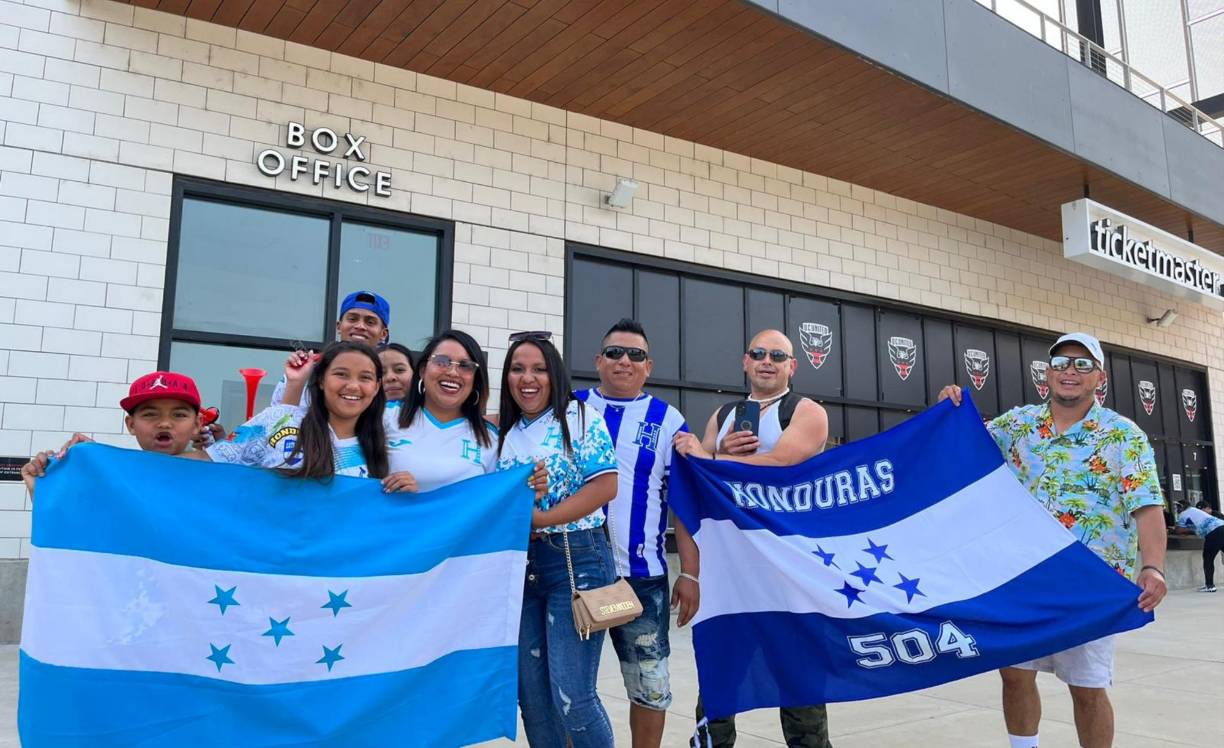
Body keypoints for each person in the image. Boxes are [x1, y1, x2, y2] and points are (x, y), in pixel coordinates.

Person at [938, 332, 1167, 748]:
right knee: (1015, 675)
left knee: (1087, 687)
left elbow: (1147, 506)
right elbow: (962, 440)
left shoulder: (1123, 435)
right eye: (1061, 363)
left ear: (1100, 377)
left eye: (1082, 364)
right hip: (1023, 579)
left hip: (1089, 586)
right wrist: (949, 407)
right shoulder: (1017, 425)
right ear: (1047, 374)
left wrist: (1153, 566)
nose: (1070, 372)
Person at [673, 328, 831, 748]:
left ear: (792, 366)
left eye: (777, 356)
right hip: (733, 576)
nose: (766, 361)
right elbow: (698, 479)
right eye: (758, 353)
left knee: (802, 698)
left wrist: (713, 456)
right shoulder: (725, 414)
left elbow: (781, 463)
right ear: (745, 361)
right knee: (717, 690)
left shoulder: (806, 412)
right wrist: (714, 452)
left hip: (788, 577)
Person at [573, 319, 698, 748]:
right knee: (569, 689)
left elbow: (684, 503)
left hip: (641, 578)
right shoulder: (570, 408)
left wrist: (690, 573)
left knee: (650, 687)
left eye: (635, 354)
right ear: (598, 361)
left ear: (649, 366)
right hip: (574, 573)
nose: (624, 361)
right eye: (614, 353)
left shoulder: (669, 420)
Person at [496, 331, 618, 748]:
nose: (527, 378)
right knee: (533, 699)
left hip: (577, 558)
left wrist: (543, 518)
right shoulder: (502, 431)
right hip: (521, 567)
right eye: (517, 369)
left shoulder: (580, 417)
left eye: (539, 369)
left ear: (555, 374)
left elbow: (605, 486)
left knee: (573, 698)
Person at [205, 341, 389, 480]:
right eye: (341, 374)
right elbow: (204, 462)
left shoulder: (380, 449)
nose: (353, 386)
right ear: (321, 380)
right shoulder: (278, 419)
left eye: (365, 378)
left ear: (376, 386)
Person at [20, 371, 207, 497]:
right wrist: (46, 491)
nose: (165, 423)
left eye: (179, 415)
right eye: (150, 414)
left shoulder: (219, 474)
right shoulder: (111, 484)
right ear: (131, 424)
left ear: (197, 424)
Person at [384, 330, 498, 493]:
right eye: (442, 361)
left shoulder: (491, 438)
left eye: (465, 366)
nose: (452, 372)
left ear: (476, 379)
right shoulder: (386, 416)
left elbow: (495, 500)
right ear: (423, 370)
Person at [271, 290, 391, 407]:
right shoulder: (309, 368)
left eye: (370, 322)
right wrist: (295, 383)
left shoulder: (391, 376)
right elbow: (280, 417)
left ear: (383, 334)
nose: (360, 326)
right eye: (352, 319)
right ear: (338, 326)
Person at [1176, 501, 1224, 592]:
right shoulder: (1194, 510)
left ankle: (1210, 586)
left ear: (1182, 507)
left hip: (1213, 531)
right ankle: (1209, 585)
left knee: (1208, 559)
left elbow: (1179, 530)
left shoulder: (1182, 514)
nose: (1176, 509)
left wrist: (1186, 530)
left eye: (1178, 507)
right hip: (1222, 526)